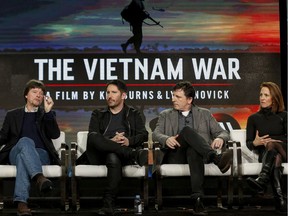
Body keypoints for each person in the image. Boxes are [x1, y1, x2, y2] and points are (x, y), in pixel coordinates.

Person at [152, 81, 233, 215]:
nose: (173, 99)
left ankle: (198, 200)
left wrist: (220, 138)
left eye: (178, 97)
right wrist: (166, 139)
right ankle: (215, 158)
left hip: (197, 156)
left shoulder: (205, 114)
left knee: (193, 150)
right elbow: (155, 133)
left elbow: (224, 132)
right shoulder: (165, 114)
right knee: (187, 131)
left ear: (189, 99)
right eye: (173, 96)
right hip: (175, 155)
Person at [85, 79, 148, 215]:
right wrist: (111, 140)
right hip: (99, 155)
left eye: (114, 92)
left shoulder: (133, 113)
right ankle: (133, 154)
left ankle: (108, 204)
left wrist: (128, 141)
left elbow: (144, 135)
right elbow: (93, 137)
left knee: (113, 156)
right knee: (93, 136)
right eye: (107, 92)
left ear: (123, 95)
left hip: (119, 156)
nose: (109, 96)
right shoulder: (98, 114)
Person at [0, 79, 61, 216]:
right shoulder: (12, 115)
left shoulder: (46, 114)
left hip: (41, 155)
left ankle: (22, 204)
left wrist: (48, 112)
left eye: (41, 93)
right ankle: (39, 177)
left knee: (24, 159)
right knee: (25, 142)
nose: (38, 95)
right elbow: (3, 136)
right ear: (26, 95)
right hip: (15, 152)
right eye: (34, 92)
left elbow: (55, 134)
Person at [246, 82, 287, 213]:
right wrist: (255, 143)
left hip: (285, 150)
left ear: (274, 98)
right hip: (266, 155)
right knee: (275, 156)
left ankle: (262, 178)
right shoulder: (253, 118)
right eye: (261, 95)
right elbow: (249, 142)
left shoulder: (284, 116)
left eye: (266, 95)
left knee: (272, 145)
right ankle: (280, 200)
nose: (262, 98)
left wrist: (276, 141)